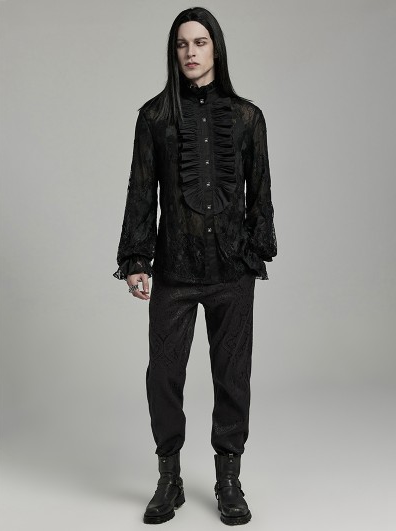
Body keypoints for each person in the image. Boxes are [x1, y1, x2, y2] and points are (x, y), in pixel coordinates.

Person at [113, 6, 277, 526]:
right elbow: (141, 190)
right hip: (174, 270)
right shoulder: (155, 117)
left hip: (232, 270)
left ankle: (229, 481)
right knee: (163, 376)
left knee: (233, 376)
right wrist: (136, 258)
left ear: (216, 49)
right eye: (182, 43)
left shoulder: (248, 118)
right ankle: (170, 478)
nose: (190, 52)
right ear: (173, 52)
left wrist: (255, 251)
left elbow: (260, 191)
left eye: (200, 42)